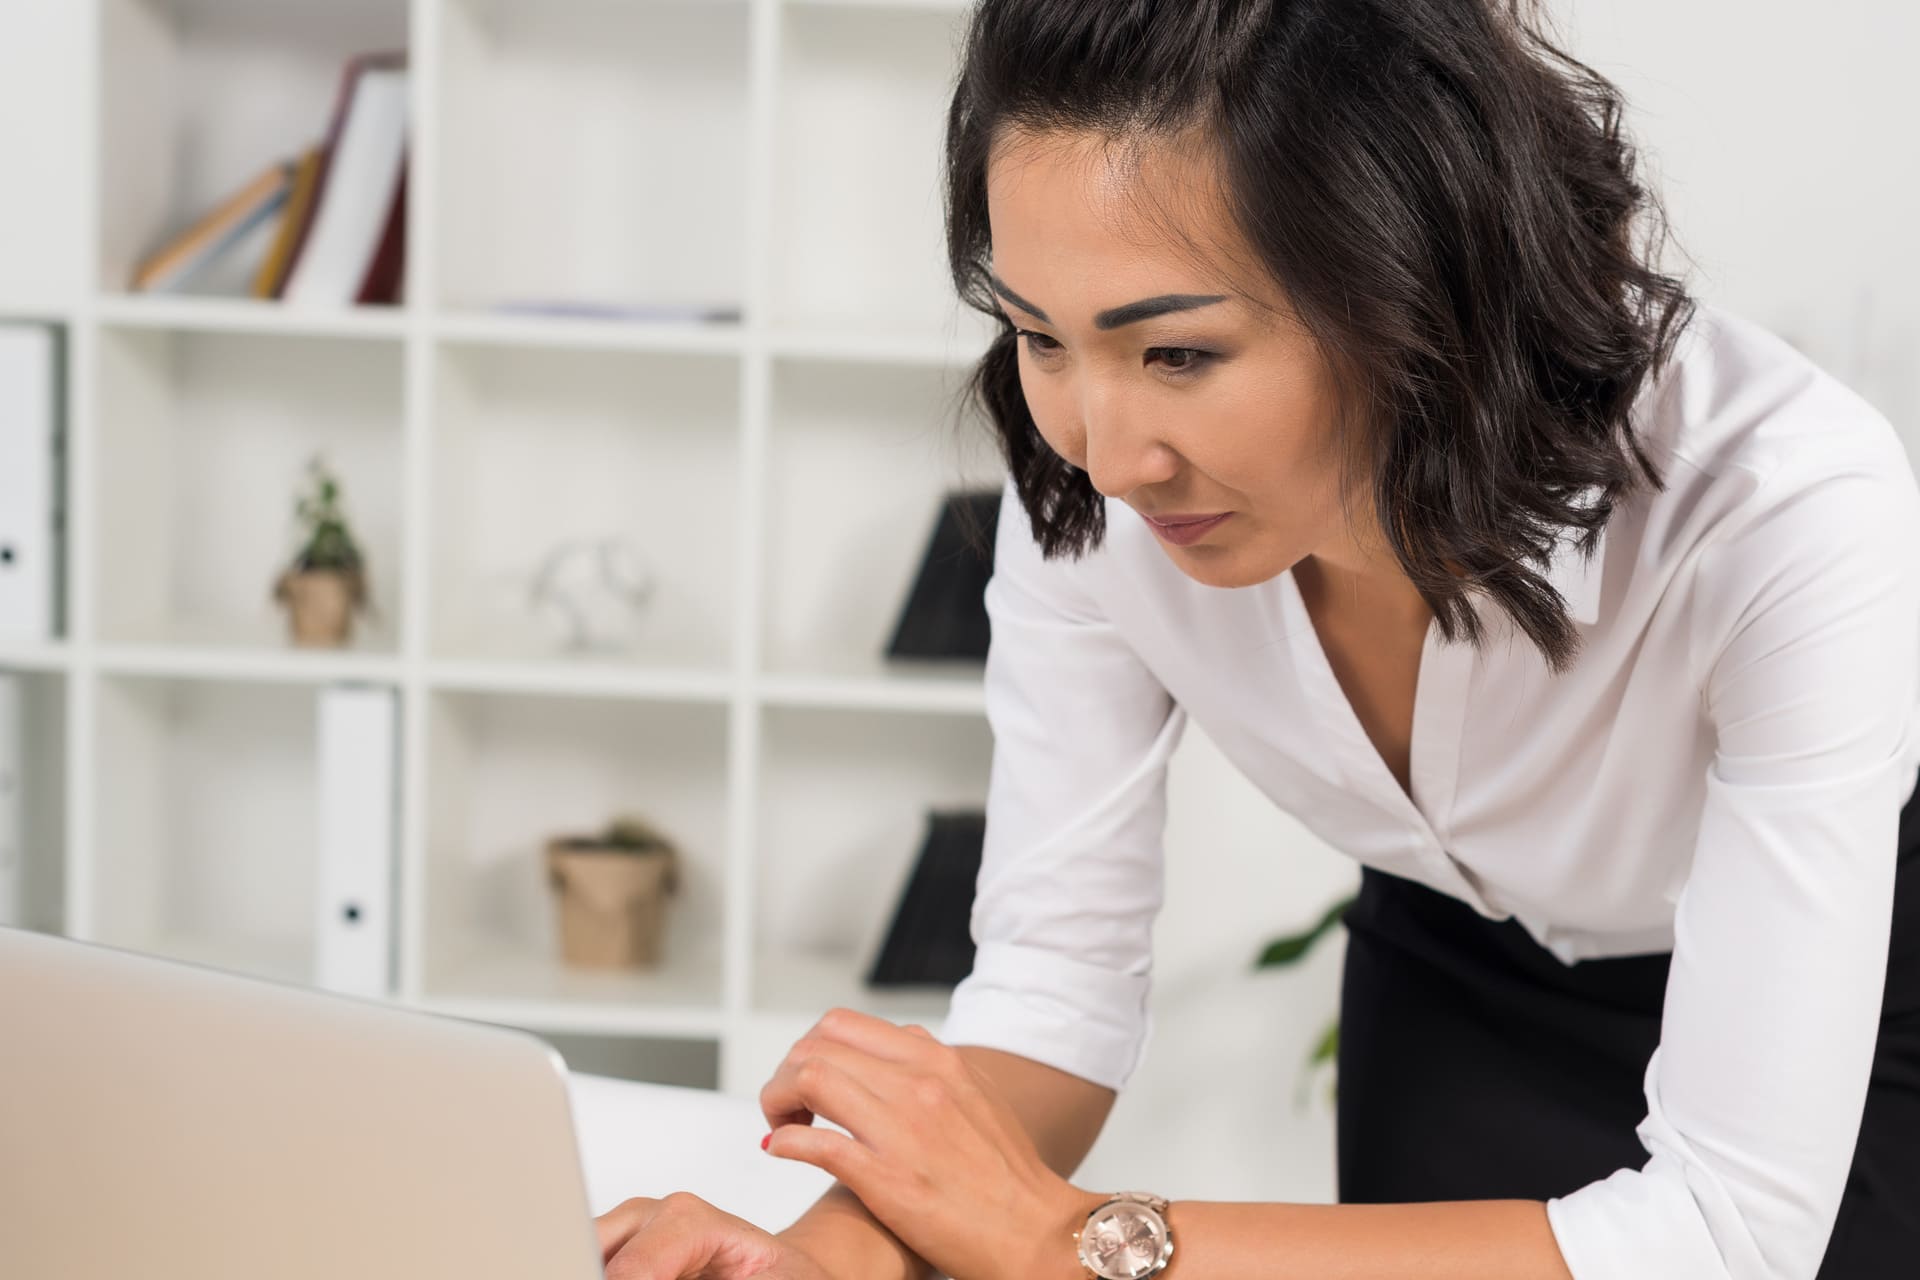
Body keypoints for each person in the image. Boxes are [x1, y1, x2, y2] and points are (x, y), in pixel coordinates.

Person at [594, 1, 1920, 1277]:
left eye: (1175, 355)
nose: (1107, 457)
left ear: (1414, 277)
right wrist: (826, 1252)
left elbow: (1728, 1239)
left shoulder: (1785, 509)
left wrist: (1071, 1249)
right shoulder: (1097, 489)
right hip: (1459, 964)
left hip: (1839, 1013)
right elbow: (1055, 983)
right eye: (1037, 337)